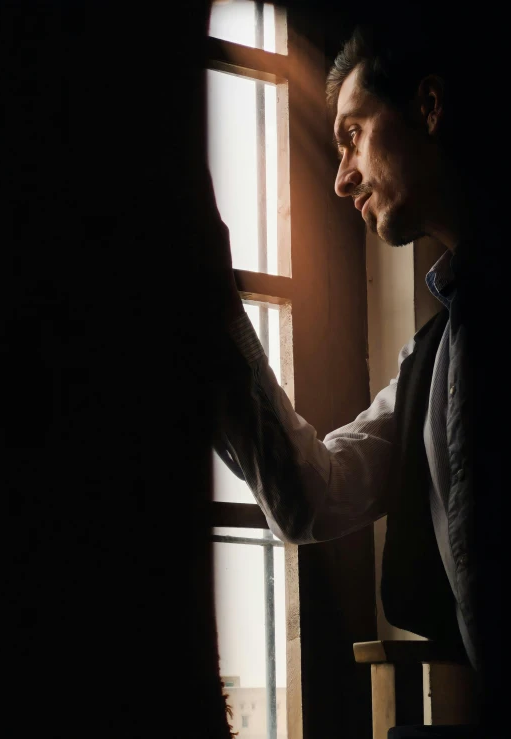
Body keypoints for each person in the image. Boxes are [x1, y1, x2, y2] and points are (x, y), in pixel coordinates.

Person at [211, 22, 499, 739]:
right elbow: (311, 495)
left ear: (428, 108)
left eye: (352, 135)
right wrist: (212, 312)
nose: (340, 177)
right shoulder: (431, 362)